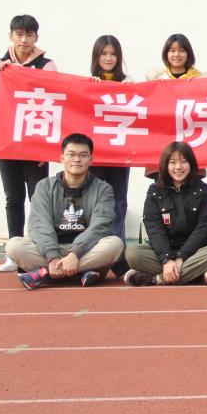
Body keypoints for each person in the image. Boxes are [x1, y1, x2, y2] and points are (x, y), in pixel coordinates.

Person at [0, 14, 57, 272]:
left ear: (36, 37)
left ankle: (38, 248)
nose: (24, 40)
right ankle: (13, 252)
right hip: (7, 142)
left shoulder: (46, 66)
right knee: (13, 197)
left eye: (29, 35)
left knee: (38, 198)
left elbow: (56, 103)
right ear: (11, 36)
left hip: (34, 143)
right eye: (19, 34)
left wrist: (49, 148)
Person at [6, 133, 124, 290]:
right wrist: (52, 256)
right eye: (71, 154)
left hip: (87, 249)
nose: (77, 159)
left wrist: (75, 254)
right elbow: (40, 225)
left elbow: (100, 226)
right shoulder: (44, 187)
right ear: (62, 158)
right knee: (13, 245)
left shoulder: (103, 189)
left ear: (91, 159)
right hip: (52, 248)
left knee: (114, 244)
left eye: (83, 155)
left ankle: (45, 273)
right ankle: (80, 272)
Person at [123, 142, 207, 286]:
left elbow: (204, 228)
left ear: (191, 164)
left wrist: (181, 257)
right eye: (172, 162)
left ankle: (156, 279)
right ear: (165, 165)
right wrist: (167, 259)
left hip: (196, 252)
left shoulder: (205, 191)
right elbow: (154, 228)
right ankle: (194, 276)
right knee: (132, 254)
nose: (178, 167)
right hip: (166, 250)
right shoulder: (155, 191)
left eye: (183, 162)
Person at [87, 35, 132, 274]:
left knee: (119, 201)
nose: (108, 58)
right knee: (96, 203)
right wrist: (89, 87)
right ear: (96, 56)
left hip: (121, 153)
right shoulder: (87, 83)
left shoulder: (128, 83)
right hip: (96, 155)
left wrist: (132, 89)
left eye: (113, 54)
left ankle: (117, 255)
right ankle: (97, 254)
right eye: (103, 54)